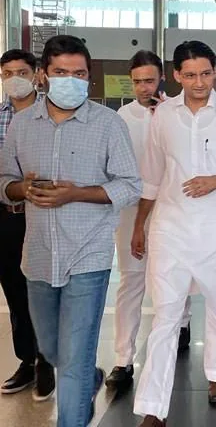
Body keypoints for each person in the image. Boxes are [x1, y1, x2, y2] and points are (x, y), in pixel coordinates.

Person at [0, 35, 141, 426]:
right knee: (51, 348)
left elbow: (131, 184)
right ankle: (86, 379)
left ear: (88, 77)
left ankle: (76, 404)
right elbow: (5, 180)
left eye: (79, 73)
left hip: (88, 254)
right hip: (39, 255)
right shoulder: (23, 125)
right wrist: (21, 189)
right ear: (44, 75)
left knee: (75, 360)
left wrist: (78, 193)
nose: (71, 80)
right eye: (61, 72)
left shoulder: (108, 124)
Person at [133, 41, 216, 426]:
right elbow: (153, 177)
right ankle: (153, 407)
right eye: (190, 75)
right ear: (176, 76)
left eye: (206, 74)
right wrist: (141, 225)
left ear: (214, 72)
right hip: (171, 230)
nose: (199, 82)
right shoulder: (164, 117)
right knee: (165, 318)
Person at [105, 50, 192, 393]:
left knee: (175, 271)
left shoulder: (178, 112)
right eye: (138, 81)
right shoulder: (118, 118)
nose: (144, 87)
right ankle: (123, 358)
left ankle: (181, 323)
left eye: (150, 80)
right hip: (131, 209)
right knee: (132, 278)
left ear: (162, 80)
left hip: (172, 206)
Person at [0, 49, 55, 401]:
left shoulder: (51, 113)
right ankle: (27, 359)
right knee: (15, 291)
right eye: (7, 73)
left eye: (21, 71)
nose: (14, 78)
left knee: (45, 289)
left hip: (44, 213)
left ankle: (47, 358)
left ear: (37, 74)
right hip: (7, 216)